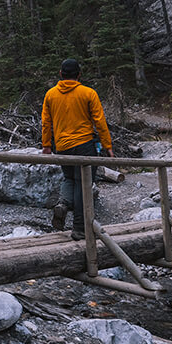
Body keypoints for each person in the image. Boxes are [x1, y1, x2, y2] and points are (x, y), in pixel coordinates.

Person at [41, 58, 112, 240]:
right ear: (79, 75)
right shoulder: (88, 93)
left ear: (60, 74)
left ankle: (63, 204)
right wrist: (107, 145)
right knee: (83, 184)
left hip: (62, 146)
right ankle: (80, 228)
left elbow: (46, 123)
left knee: (68, 177)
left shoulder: (50, 94)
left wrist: (47, 145)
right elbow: (100, 121)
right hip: (85, 146)